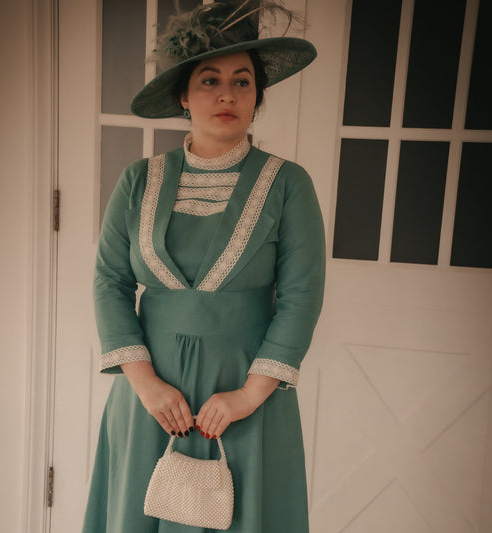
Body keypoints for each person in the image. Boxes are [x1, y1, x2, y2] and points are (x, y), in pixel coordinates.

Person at [82, 1, 325, 532]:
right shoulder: (137, 180)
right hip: (151, 394)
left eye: (242, 82)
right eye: (210, 79)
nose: (226, 94)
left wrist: (247, 396)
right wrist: (145, 384)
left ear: (257, 97)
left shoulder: (289, 184)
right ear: (184, 96)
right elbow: (110, 283)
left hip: (244, 392)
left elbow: (302, 296)